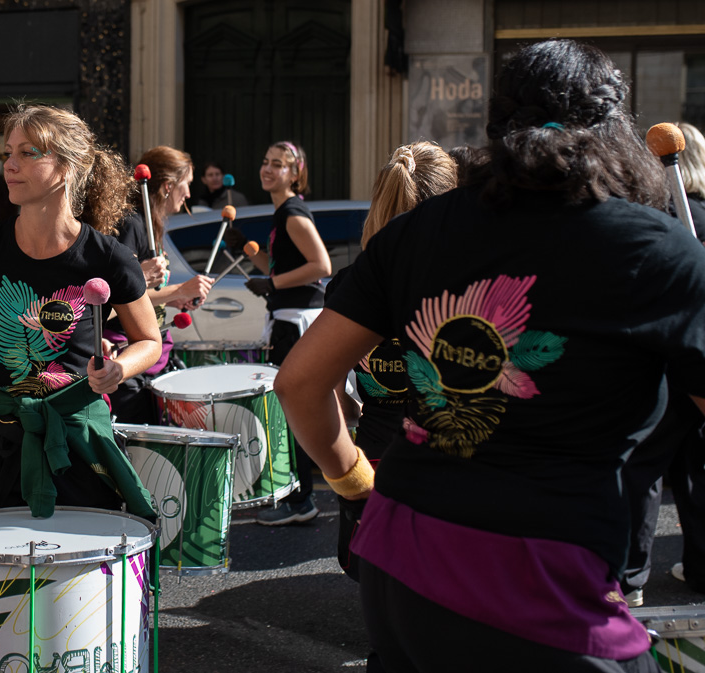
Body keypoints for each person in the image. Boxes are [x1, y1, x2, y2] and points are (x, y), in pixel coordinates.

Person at [277, 39, 705, 671]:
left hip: (399, 560)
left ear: (497, 131)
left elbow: (301, 381)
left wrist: (354, 484)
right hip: (542, 586)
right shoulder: (658, 249)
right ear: (616, 131)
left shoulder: (415, 231)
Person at [0, 104, 160, 522]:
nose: (9, 164)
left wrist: (119, 369)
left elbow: (148, 341)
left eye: (27, 153)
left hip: (79, 441)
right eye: (8, 153)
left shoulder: (110, 257)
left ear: (66, 168)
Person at [334, 142, 457, 580]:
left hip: (374, 451)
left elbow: (313, 384)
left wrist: (343, 465)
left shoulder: (354, 282)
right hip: (451, 457)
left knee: (380, 581)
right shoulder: (468, 283)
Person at [619, 120, 705, 606]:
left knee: (644, 467)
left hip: (665, 361)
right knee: (698, 466)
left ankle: (630, 578)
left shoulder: (652, 219)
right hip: (696, 352)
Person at [224, 140, 332, 526]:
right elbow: (278, 267)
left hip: (297, 322)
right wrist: (251, 254)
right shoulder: (282, 213)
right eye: (266, 162)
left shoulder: (292, 213)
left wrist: (273, 285)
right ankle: (301, 493)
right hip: (288, 319)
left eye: (279, 165)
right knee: (296, 409)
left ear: (294, 173)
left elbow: (321, 264)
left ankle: (303, 499)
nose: (268, 169)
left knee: (296, 409)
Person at [107, 145, 213, 424]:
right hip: (126, 358)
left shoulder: (150, 224)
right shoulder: (132, 224)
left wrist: (172, 299)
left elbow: (144, 295)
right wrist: (180, 289)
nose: (189, 194)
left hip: (151, 359)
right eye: (186, 185)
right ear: (167, 186)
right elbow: (117, 299)